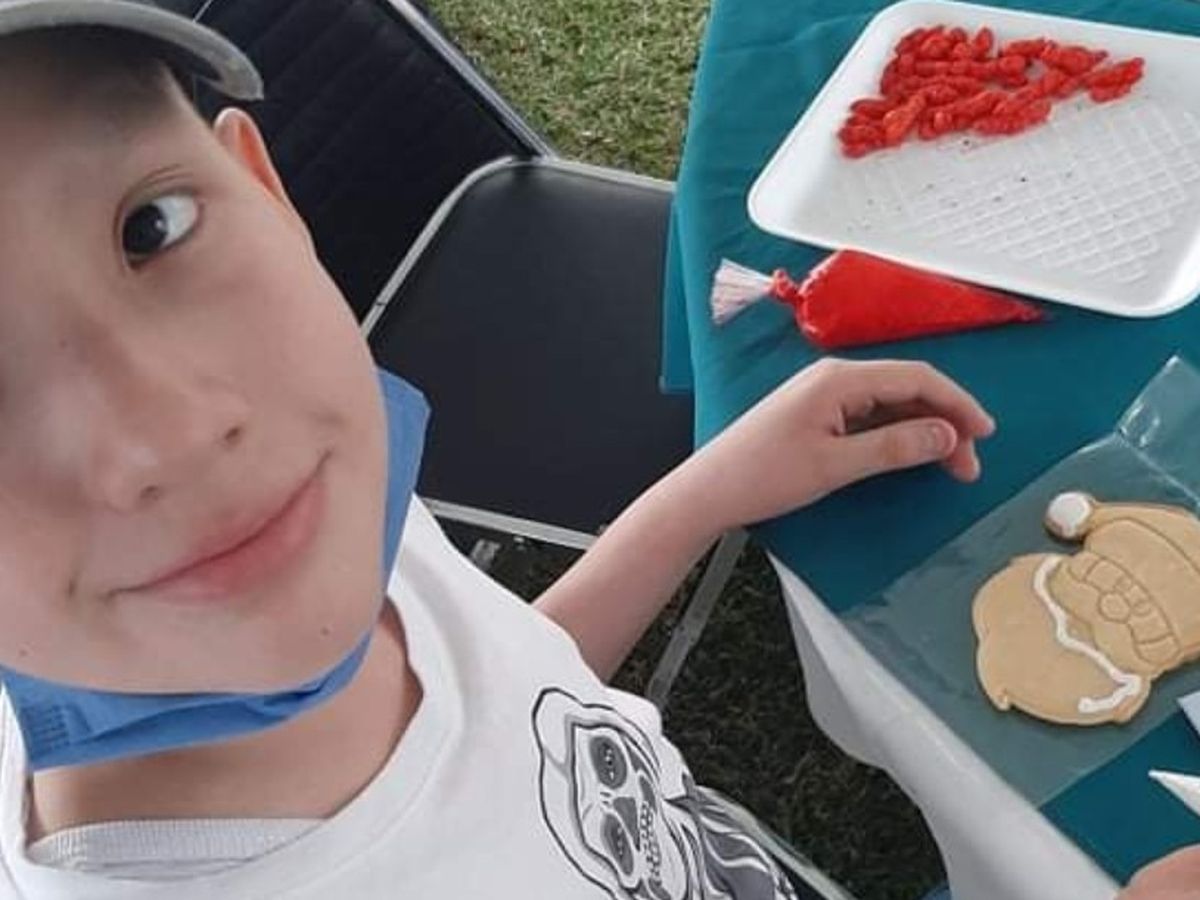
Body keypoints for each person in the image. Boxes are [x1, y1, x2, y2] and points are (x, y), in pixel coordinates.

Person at [0, 1, 1010, 897]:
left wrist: (705, 494)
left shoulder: (306, 517)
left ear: (264, 189)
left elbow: (511, 701)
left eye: (151, 227)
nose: (178, 431)